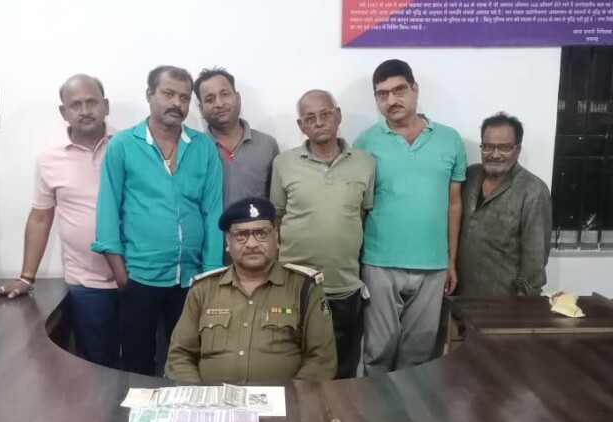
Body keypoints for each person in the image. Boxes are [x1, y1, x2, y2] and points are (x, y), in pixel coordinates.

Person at [92, 65, 223, 376]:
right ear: (150, 94)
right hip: (139, 277)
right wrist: (121, 275)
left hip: (192, 280)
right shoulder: (123, 145)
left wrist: (210, 275)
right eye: (168, 94)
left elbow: (213, 212)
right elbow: (108, 210)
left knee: (189, 362)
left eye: (184, 97)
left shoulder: (203, 146)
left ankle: (186, 411)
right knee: (137, 364)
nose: (176, 103)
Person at [0, 74, 120, 368]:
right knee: (98, 368)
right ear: (63, 112)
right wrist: (26, 277)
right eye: (75, 105)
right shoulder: (49, 157)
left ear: (106, 106)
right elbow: (40, 218)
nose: (85, 111)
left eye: (92, 102)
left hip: (138, 278)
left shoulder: (130, 146)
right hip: (86, 284)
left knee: (142, 363)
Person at [354, 59, 466, 373]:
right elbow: (357, 206)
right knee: (378, 351)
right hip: (379, 262)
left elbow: (454, 205)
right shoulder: (365, 143)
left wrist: (451, 261)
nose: (392, 100)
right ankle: (374, 406)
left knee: (418, 355)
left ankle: (410, 407)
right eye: (382, 94)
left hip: (433, 265)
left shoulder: (450, 140)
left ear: (415, 89)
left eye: (399, 90)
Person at [166, 197, 337, 385]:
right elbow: (180, 355)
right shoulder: (203, 290)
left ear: (276, 237)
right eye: (241, 235)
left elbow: (322, 359)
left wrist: (293, 398)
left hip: (284, 402)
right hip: (212, 401)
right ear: (228, 242)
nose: (252, 244)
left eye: (261, 233)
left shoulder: (305, 288)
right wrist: (198, 397)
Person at [270, 89, 375, 379]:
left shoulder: (365, 162)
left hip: (344, 286)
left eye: (325, 114)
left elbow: (362, 213)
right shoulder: (283, 163)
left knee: (342, 372)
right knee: (291, 368)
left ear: (337, 115)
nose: (318, 122)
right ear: (301, 126)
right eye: (309, 118)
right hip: (295, 287)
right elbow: (277, 217)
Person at [456, 112, 552, 296]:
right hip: (459, 295)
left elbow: (535, 258)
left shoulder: (533, 190)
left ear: (518, 149)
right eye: (488, 147)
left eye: (504, 148)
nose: (495, 155)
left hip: (503, 301)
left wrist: (523, 302)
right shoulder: (470, 176)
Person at [194, 67, 279, 208]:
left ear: (238, 98)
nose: (219, 103)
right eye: (210, 99)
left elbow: (276, 202)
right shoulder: (194, 149)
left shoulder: (267, 145)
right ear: (201, 108)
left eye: (225, 94)